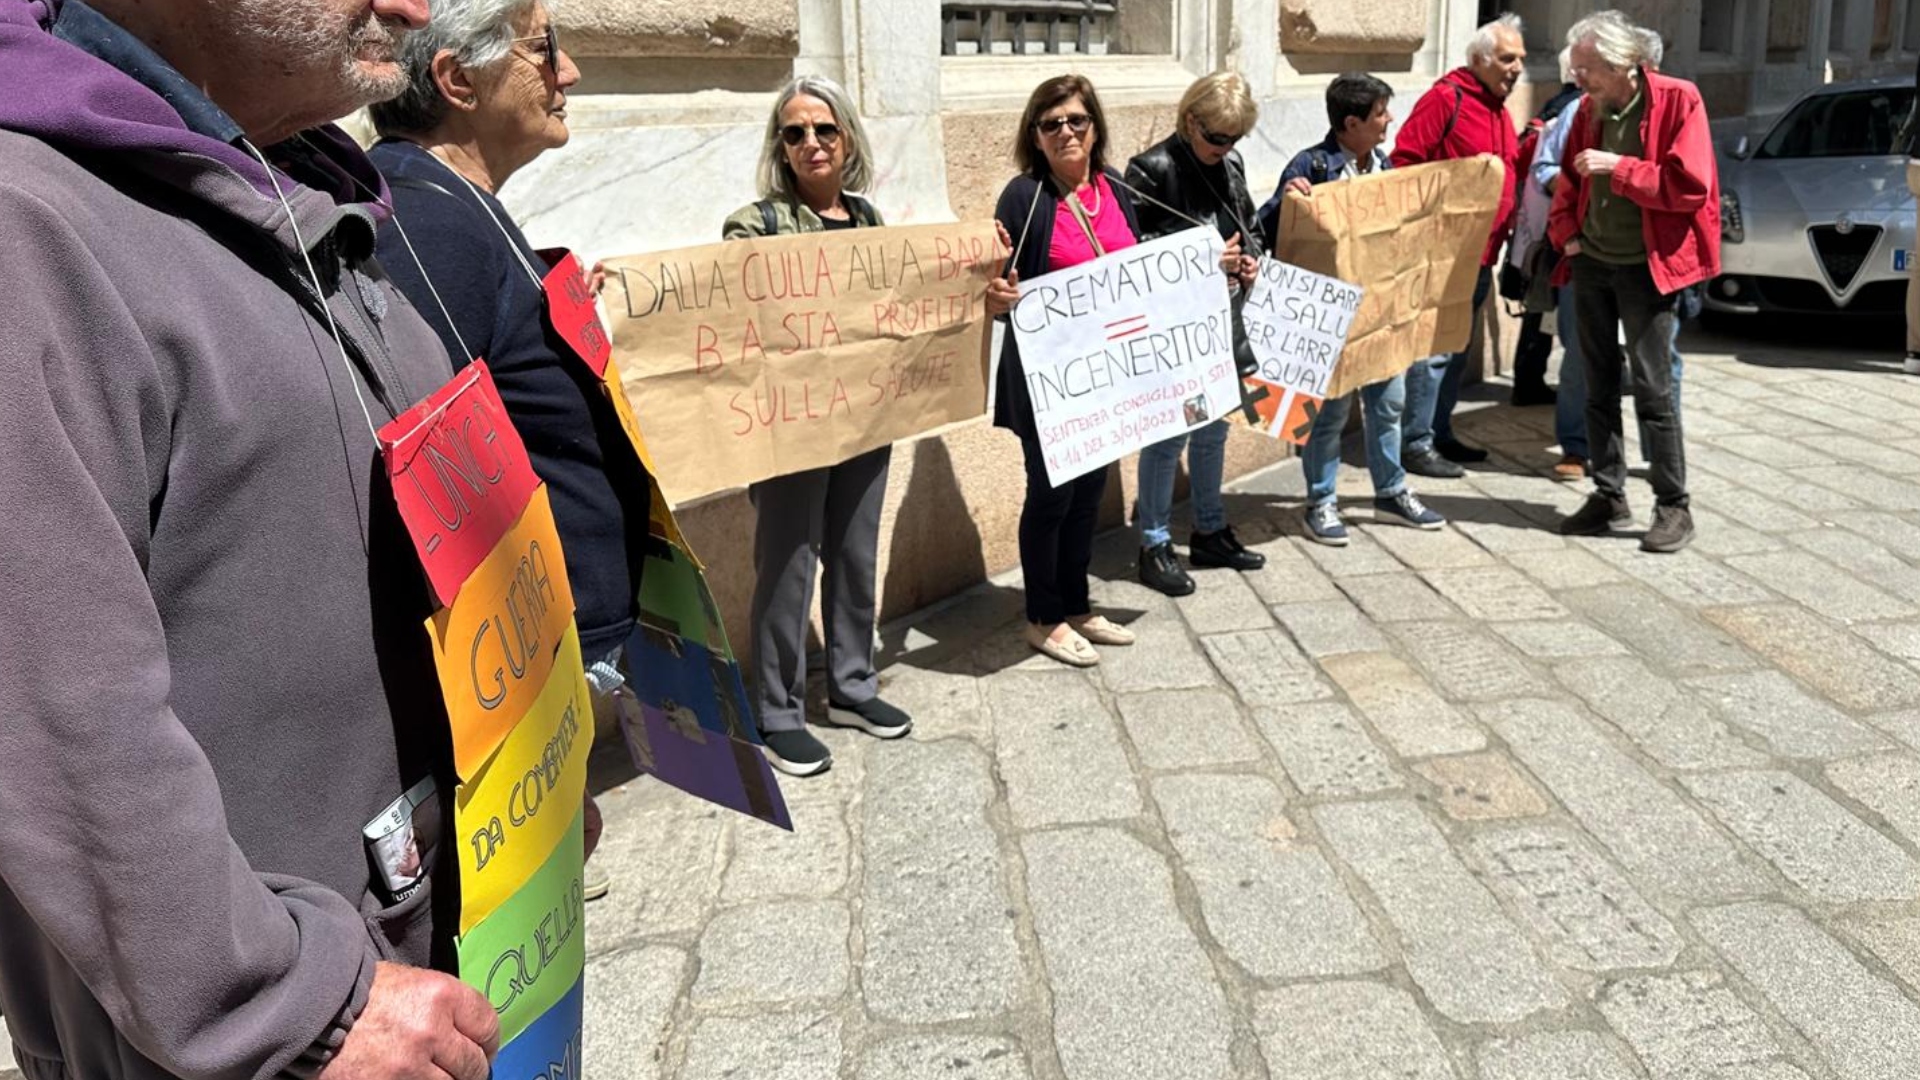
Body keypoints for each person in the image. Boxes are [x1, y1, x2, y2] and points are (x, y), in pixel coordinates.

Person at [0, 1, 508, 1078]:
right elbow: (52, 718)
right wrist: (293, 1007)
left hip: (442, 969)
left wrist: (521, 783)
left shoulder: (296, 181)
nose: (418, 9)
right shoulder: (27, 224)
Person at [367, 0, 626, 897]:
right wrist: (522, 753)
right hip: (508, 676)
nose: (570, 74)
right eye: (546, 51)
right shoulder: (422, 221)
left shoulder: (455, 205)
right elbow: (441, 499)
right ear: (457, 80)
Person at [720, 76, 914, 775]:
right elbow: (725, 304)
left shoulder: (868, 221)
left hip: (863, 417)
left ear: (847, 138)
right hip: (789, 425)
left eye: (824, 130)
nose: (810, 144)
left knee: (857, 554)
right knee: (787, 563)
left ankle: (853, 688)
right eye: (794, 132)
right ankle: (777, 712)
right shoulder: (755, 225)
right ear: (781, 146)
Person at [986, 75, 1142, 668]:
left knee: (1088, 495)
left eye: (1076, 120)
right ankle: (1042, 618)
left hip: (1106, 375)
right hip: (1050, 382)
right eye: (1051, 124)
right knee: (1050, 496)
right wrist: (996, 298)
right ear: (1036, 136)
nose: (1066, 132)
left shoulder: (1117, 189)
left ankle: (1077, 606)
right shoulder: (1024, 197)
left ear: (1095, 126)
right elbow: (999, 286)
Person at [1548, 9, 1719, 553]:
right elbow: (1569, 180)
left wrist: (1618, 168)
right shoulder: (1586, 109)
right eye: (1576, 70)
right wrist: (1565, 234)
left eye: (1586, 69)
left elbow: (1689, 185)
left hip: (1648, 267)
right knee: (1596, 382)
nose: (1578, 79)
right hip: (1593, 262)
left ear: (1622, 64)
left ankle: (1673, 507)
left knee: (1653, 389)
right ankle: (1609, 494)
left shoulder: (1678, 99)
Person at [1266, 73, 1446, 545]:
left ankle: (1391, 492)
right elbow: (1269, 231)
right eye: (1381, 113)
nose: (1390, 120)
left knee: (1388, 406)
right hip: (1330, 320)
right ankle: (1320, 502)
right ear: (1351, 122)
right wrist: (1288, 204)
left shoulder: (1383, 168)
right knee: (1328, 415)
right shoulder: (1312, 167)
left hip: (1379, 316)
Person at [1122, 72, 1267, 595]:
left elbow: (1247, 223)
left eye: (1234, 138)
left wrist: (1250, 258)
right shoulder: (1150, 167)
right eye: (1216, 137)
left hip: (1222, 318)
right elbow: (1130, 248)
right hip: (1173, 327)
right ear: (1190, 121)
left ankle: (1209, 528)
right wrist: (1206, 253)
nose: (1225, 148)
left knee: (1214, 431)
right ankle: (1154, 543)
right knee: (1168, 436)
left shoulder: (1230, 162)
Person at [1390, 13, 1528, 475]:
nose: (1516, 68)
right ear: (1479, 59)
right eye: (1508, 59)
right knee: (1433, 352)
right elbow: (1406, 163)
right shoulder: (1444, 99)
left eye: (1521, 60)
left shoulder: (1499, 110)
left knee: (1456, 349)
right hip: (1443, 254)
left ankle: (1439, 431)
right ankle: (1415, 442)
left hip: (1482, 256)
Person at [1506, 51, 1582, 408]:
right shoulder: (1574, 109)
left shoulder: (1552, 104)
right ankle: (1529, 381)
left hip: (1534, 228)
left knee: (1539, 306)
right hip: (1555, 230)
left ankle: (1529, 378)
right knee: (1544, 307)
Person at [1529, 74, 1590, 480]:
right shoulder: (1577, 110)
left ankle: (1661, 454)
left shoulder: (1672, 106)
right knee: (1579, 352)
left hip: (1648, 259)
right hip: (1583, 254)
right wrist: (1574, 192)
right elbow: (1545, 166)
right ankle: (1576, 446)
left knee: (1659, 362)